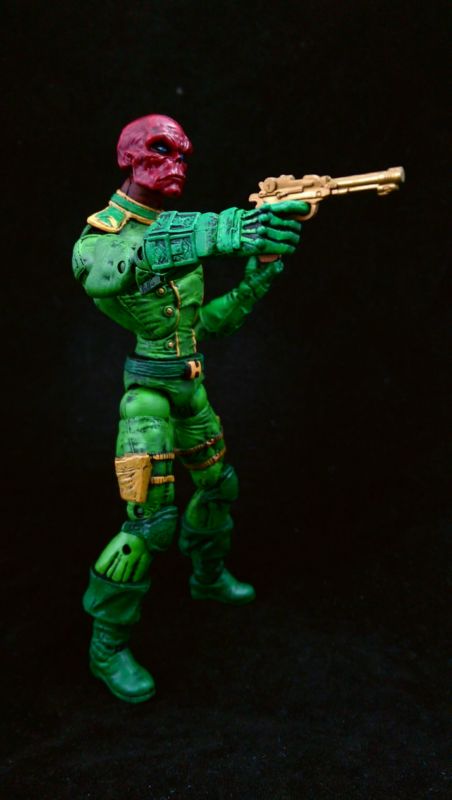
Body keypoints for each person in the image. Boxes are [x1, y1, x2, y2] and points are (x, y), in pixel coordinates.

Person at [72, 113, 309, 703]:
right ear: (128, 157)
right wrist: (224, 230)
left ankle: (206, 576)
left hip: (189, 386)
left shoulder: (172, 231)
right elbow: (113, 266)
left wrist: (258, 277)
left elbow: (202, 326)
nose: (176, 164)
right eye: (161, 151)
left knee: (219, 486)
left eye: (183, 155)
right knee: (149, 525)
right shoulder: (99, 238)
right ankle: (107, 645)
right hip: (148, 397)